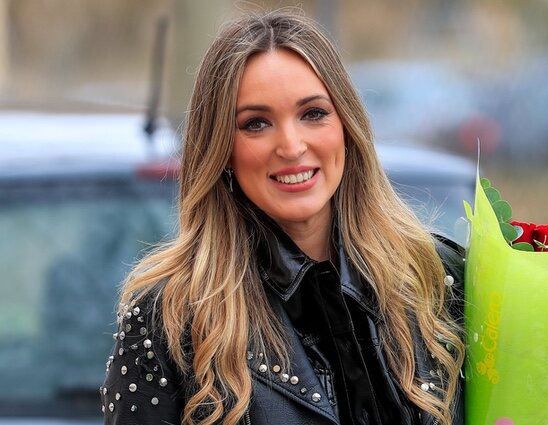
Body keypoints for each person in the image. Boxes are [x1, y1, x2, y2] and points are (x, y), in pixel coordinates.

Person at [101, 9, 465, 425]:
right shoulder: (167, 314)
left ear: (346, 125)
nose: (291, 146)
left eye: (313, 113)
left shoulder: (434, 275)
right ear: (221, 148)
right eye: (256, 123)